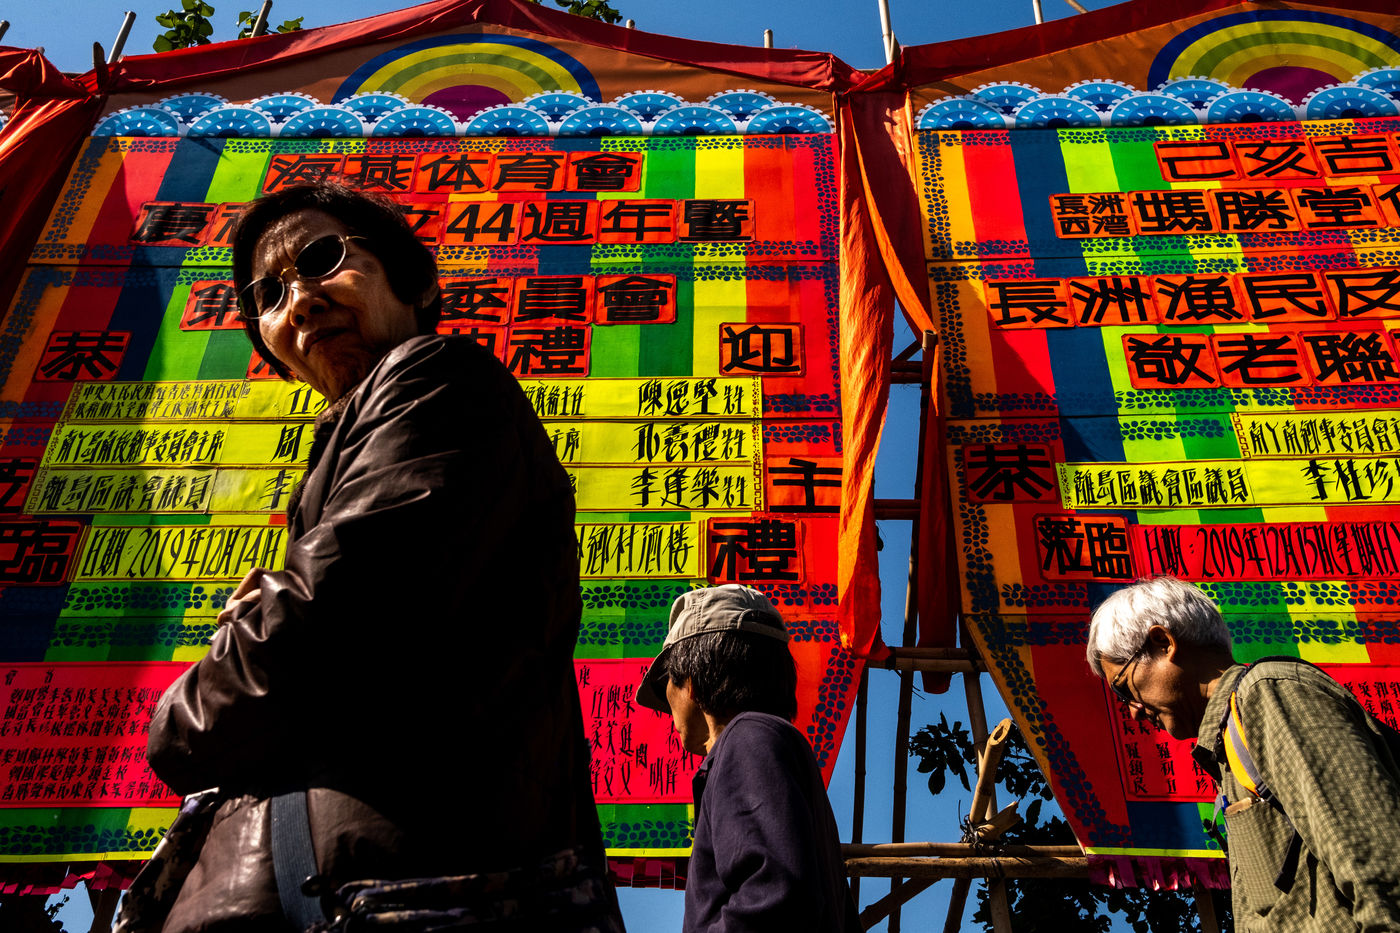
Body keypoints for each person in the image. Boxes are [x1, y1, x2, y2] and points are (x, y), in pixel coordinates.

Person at [133, 182, 623, 931]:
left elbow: (330, 615)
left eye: (322, 259)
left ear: (414, 283)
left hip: (409, 897)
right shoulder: (340, 455)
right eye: (269, 295)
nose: (299, 303)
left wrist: (178, 719)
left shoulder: (436, 376)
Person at [1087, 576, 1400, 931]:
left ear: (1163, 644)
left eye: (1123, 689)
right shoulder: (1230, 746)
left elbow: (1378, 862)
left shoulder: (1266, 696)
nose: (1133, 712)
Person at [634, 585, 861, 933]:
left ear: (691, 682)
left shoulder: (747, 739)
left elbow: (775, 897)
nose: (667, 706)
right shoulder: (767, 741)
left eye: (668, 682)